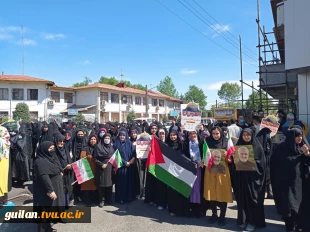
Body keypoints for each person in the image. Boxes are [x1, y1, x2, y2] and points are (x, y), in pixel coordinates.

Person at [271, 127, 309, 232]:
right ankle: (290, 226)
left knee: (300, 206)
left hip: (301, 183)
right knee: (289, 207)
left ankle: (299, 225)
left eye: (301, 135)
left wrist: (307, 154)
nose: (299, 138)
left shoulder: (304, 147)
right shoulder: (281, 149)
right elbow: (274, 164)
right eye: (297, 135)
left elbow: (307, 164)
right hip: (285, 184)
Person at [233, 128, 266, 231]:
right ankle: (243, 220)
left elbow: (262, 166)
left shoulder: (257, 148)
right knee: (242, 200)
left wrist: (251, 162)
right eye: (244, 135)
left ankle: (253, 222)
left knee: (253, 201)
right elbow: (234, 165)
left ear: (252, 136)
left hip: (253, 181)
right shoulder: (238, 147)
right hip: (242, 180)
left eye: (248, 135)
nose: (246, 137)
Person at [204, 127, 233, 226]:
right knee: (212, 193)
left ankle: (222, 217)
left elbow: (231, 160)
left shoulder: (226, 142)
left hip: (223, 172)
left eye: (217, 133)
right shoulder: (207, 142)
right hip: (211, 171)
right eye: (213, 133)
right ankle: (214, 214)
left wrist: (227, 156)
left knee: (223, 193)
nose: (215, 135)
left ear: (221, 133)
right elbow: (204, 156)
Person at [33, 141, 64, 232]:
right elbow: (44, 176)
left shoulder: (51, 158)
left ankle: (48, 228)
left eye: (53, 148)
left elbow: (57, 167)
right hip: (46, 190)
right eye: (50, 149)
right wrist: (50, 190)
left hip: (54, 187)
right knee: (44, 211)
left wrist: (60, 171)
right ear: (43, 150)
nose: (52, 150)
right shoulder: (40, 161)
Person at [114, 130, 136, 204]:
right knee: (121, 183)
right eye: (121, 135)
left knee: (129, 182)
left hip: (129, 166)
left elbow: (134, 152)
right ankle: (121, 198)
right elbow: (116, 155)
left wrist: (132, 159)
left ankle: (129, 197)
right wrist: (125, 162)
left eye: (123, 135)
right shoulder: (116, 144)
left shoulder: (129, 144)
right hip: (121, 167)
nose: (122, 137)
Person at [93, 133, 114, 207]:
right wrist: (101, 164)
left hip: (109, 168)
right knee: (101, 185)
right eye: (106, 138)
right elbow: (95, 158)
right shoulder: (98, 147)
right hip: (101, 168)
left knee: (109, 185)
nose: (107, 140)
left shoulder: (111, 147)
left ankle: (109, 199)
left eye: (108, 138)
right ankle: (101, 200)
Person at [80, 135, 98, 207]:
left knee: (94, 185)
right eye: (91, 139)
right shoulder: (85, 149)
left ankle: (93, 199)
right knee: (87, 186)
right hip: (87, 169)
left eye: (94, 139)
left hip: (96, 170)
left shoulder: (98, 148)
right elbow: (82, 158)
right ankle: (87, 200)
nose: (93, 141)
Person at [0, 126, 10, 206]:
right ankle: (4, 200)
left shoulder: (1, 141)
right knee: (3, 180)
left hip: (1, 161)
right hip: (5, 161)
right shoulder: (6, 141)